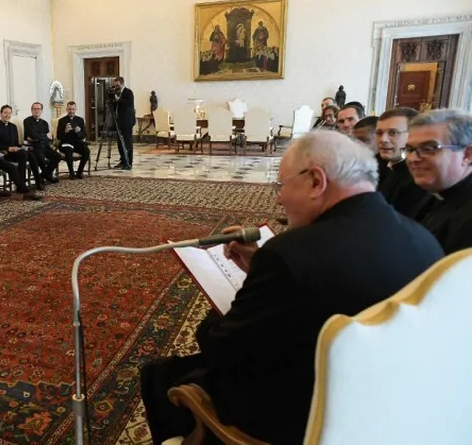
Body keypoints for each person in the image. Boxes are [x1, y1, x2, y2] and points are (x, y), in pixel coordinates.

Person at [140, 131, 443, 445]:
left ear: (316, 181)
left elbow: (221, 348)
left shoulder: (290, 252)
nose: (279, 198)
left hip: (311, 412)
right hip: (386, 403)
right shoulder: (424, 239)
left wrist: (217, 315)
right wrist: (261, 269)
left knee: (160, 375)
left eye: (281, 185)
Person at [407, 109, 472, 254]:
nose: (412, 159)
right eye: (410, 149)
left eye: (429, 149)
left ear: (467, 155)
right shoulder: (436, 191)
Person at [376, 107, 429, 219]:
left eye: (393, 133)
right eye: (379, 133)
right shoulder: (386, 166)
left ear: (414, 135)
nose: (383, 139)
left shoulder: (417, 178)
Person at [0, 105, 45, 191]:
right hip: (5, 154)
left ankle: (38, 182)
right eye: (5, 113)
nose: (7, 115)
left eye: (9, 113)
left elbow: (16, 143)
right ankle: (21, 184)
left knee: (31, 155)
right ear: (0, 114)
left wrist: (23, 147)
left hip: (16, 152)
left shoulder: (13, 127)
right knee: (23, 154)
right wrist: (8, 148)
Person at [23, 102, 60, 184]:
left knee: (57, 156)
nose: (36, 111)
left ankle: (44, 175)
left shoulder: (44, 123)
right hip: (34, 147)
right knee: (40, 157)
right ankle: (46, 176)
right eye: (34, 109)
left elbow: (48, 137)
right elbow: (32, 135)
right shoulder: (27, 121)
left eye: (38, 109)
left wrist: (40, 137)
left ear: (41, 111)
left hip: (45, 146)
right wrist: (43, 136)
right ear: (31, 110)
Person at [56, 101, 91, 179]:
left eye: (73, 109)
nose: (71, 111)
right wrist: (65, 131)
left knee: (86, 151)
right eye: (69, 109)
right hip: (66, 143)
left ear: (76, 109)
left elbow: (84, 135)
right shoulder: (61, 121)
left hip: (77, 143)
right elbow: (58, 137)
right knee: (69, 151)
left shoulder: (80, 120)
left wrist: (79, 131)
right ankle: (71, 173)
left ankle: (79, 172)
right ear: (66, 109)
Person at [113, 76, 135, 170]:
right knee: (120, 143)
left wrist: (118, 100)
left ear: (122, 84)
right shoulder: (117, 93)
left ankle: (128, 162)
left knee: (127, 142)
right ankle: (122, 161)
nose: (116, 87)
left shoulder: (128, 92)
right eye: (115, 85)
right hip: (119, 121)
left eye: (117, 85)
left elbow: (129, 103)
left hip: (127, 121)